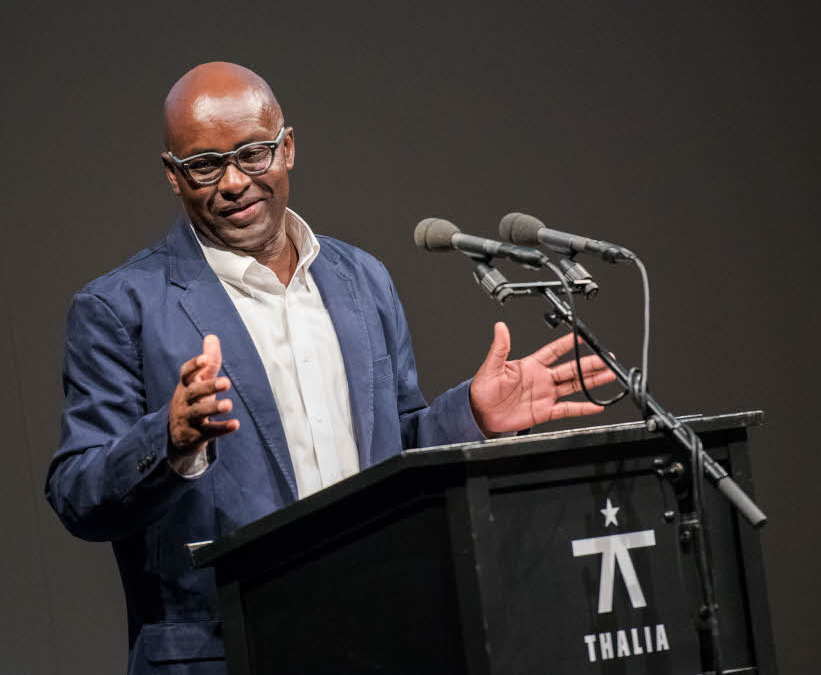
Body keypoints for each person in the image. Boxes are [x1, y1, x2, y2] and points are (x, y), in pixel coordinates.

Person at [46, 62, 615, 674]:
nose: (233, 182)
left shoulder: (361, 279)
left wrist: (471, 417)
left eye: (253, 154)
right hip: (226, 655)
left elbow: (395, 452)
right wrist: (170, 441)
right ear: (173, 175)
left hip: (379, 639)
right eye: (205, 165)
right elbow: (79, 494)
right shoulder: (119, 308)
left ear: (287, 148)